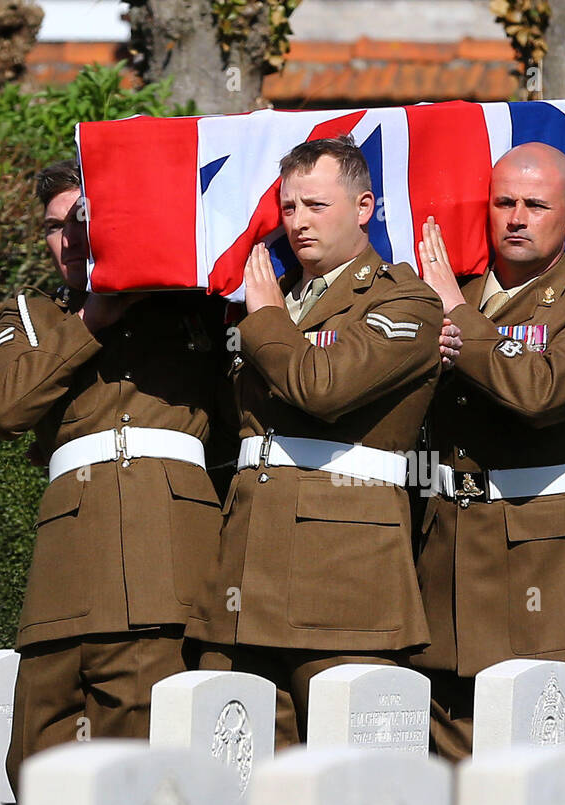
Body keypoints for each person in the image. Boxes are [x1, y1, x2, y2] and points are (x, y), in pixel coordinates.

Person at [0, 159, 228, 799]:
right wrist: (91, 320)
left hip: (165, 555)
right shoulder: (33, 316)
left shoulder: (193, 306)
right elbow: (3, 406)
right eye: (53, 228)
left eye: (81, 221)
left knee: (141, 751)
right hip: (66, 567)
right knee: (37, 752)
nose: (68, 239)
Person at [187, 136, 443, 746]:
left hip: (344, 571)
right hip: (250, 561)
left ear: (363, 207)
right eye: (290, 207)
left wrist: (267, 320)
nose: (298, 222)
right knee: (240, 770)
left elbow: (323, 388)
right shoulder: (273, 300)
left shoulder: (404, 299)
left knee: (349, 774)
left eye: (316, 205)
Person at [413, 142, 565, 758]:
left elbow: (539, 392)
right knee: (455, 787)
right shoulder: (442, 294)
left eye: (535, 205)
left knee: (555, 784)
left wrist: (459, 313)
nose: (515, 217)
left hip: (554, 576)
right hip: (451, 569)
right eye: (503, 202)